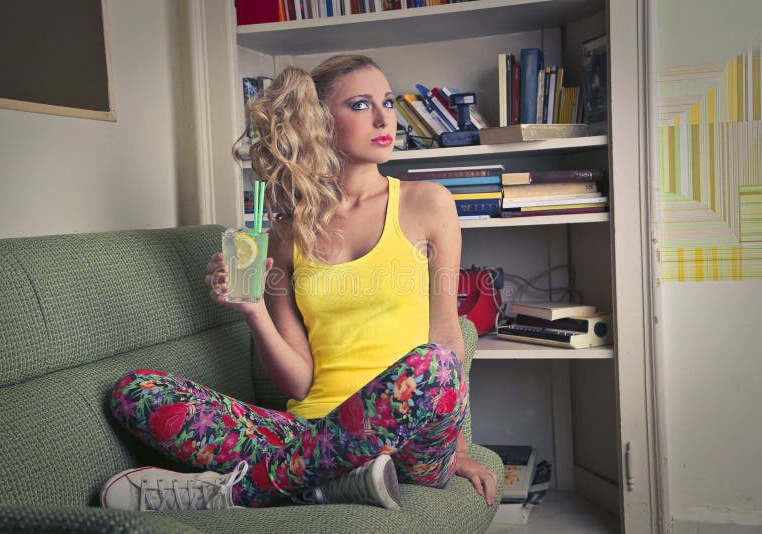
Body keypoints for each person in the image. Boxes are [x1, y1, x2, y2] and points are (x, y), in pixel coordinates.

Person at [101, 54, 497, 512]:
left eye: (388, 102)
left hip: (409, 443)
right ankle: (335, 479)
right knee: (136, 392)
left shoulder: (429, 203)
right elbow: (300, 383)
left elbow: (446, 332)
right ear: (319, 122)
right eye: (361, 104)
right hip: (309, 428)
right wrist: (253, 310)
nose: (384, 117)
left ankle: (240, 489)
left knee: (437, 365)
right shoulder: (288, 234)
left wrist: (457, 448)